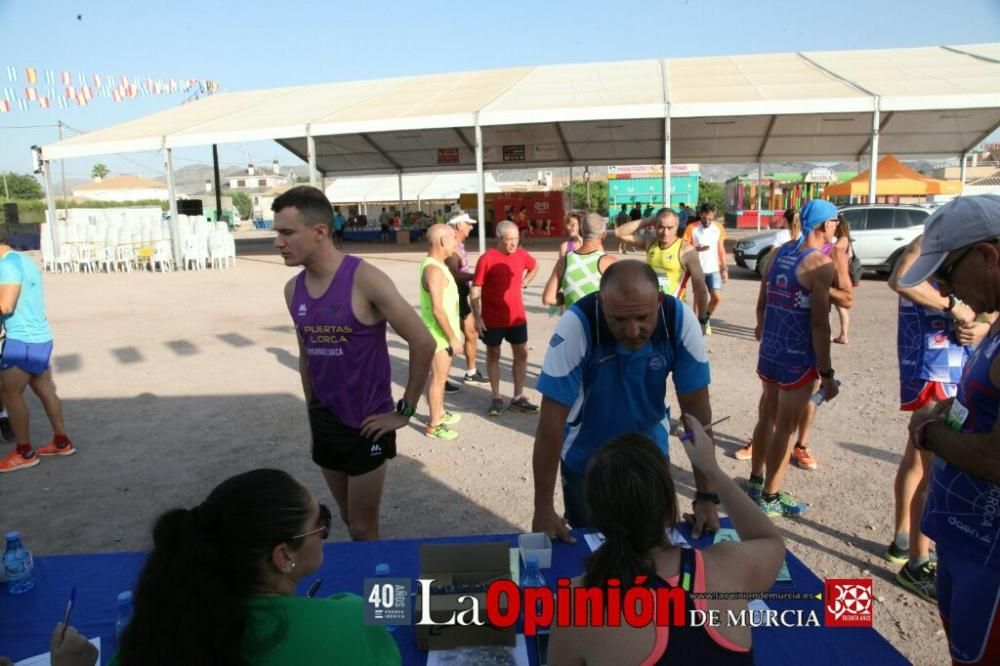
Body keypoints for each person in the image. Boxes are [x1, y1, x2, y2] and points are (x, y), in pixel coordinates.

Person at [548, 420, 784, 664]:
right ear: (669, 506)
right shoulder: (727, 568)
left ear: (595, 516)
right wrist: (711, 468)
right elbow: (768, 539)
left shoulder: (579, 603)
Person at [110, 469, 401, 665]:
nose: (325, 531)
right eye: (320, 521)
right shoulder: (350, 620)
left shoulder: (156, 634)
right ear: (284, 556)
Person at [274, 186, 435, 541]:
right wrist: (312, 415)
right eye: (277, 233)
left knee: (363, 527)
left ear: (319, 232)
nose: (278, 242)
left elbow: (423, 341)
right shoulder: (292, 289)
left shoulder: (366, 279)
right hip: (325, 418)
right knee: (348, 518)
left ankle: (375, 592)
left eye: (287, 232)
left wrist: (404, 411)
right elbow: (306, 358)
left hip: (367, 422)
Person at [531, 260, 719, 542]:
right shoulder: (577, 325)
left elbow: (696, 416)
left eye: (643, 318)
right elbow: (551, 423)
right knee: (595, 556)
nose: (633, 331)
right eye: (619, 320)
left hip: (651, 456)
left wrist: (706, 496)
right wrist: (543, 507)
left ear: (659, 301)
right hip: (588, 463)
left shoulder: (679, 321)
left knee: (655, 553)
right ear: (601, 302)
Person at [898, 195, 1000, 664]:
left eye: (946, 274)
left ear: (987, 256)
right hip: (967, 545)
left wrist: (929, 433)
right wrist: (943, 409)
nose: (945, 289)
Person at [885, 234, 989, 603]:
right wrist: (952, 307)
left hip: (951, 364)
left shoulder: (967, 246)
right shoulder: (935, 237)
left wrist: (983, 328)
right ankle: (917, 560)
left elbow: (986, 313)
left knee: (916, 459)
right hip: (935, 366)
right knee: (933, 468)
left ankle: (903, 541)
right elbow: (900, 279)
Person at [748, 199, 840, 516]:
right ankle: (770, 497)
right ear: (825, 225)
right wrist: (826, 372)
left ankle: (755, 480)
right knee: (785, 426)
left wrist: (764, 326)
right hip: (797, 356)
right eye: (835, 221)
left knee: (766, 416)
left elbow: (762, 302)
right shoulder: (819, 264)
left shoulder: (778, 253)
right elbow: (819, 322)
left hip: (771, 349)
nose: (837, 227)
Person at [0, 225, 74, 473]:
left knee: (10, 394)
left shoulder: (7, 266)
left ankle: (24, 452)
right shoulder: (24, 260)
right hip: (40, 336)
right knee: (44, 387)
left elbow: (6, 305)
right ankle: (61, 441)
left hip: (23, 340)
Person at [471, 221, 539, 417]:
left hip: (517, 316)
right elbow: (475, 289)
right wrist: (477, 317)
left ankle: (518, 397)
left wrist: (525, 282)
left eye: (516, 239)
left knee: (521, 353)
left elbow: (534, 266)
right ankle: (496, 396)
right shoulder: (487, 259)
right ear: (499, 239)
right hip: (492, 318)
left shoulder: (521, 254)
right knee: (493, 354)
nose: (513, 244)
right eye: (509, 240)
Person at [614, 207, 709, 330]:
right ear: (654, 226)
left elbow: (700, 287)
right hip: (649, 311)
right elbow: (619, 233)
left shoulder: (686, 250)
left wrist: (701, 320)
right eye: (660, 227)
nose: (665, 232)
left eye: (670, 228)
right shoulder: (650, 242)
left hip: (674, 312)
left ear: (677, 226)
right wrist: (648, 220)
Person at [419, 224, 463, 441]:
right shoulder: (433, 270)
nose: (456, 242)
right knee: (438, 378)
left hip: (441, 334)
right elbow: (437, 309)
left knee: (441, 377)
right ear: (443, 241)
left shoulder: (438, 265)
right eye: (453, 238)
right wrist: (452, 337)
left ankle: (441, 413)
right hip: (437, 335)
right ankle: (434, 424)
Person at [443, 211, 489, 387]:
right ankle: (442, 378)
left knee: (471, 332)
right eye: (468, 224)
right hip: (452, 296)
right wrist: (478, 276)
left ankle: (471, 372)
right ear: (458, 226)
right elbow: (454, 275)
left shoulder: (459, 244)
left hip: (461, 294)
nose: (471, 227)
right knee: (448, 337)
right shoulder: (451, 247)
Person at [542, 213, 616, 310]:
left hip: (574, 316)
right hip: (599, 319)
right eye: (568, 224)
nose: (570, 227)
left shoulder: (564, 261)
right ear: (604, 234)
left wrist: (571, 296)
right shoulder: (609, 261)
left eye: (573, 224)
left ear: (582, 229)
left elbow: (548, 298)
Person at [683, 203, 727, 334]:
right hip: (697, 269)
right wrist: (696, 249)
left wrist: (724, 268)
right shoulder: (692, 228)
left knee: (716, 298)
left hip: (714, 269)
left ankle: (705, 317)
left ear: (714, 215)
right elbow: (683, 247)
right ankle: (697, 325)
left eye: (709, 218)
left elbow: (721, 249)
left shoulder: (718, 227)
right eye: (703, 218)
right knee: (698, 299)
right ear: (700, 216)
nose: (706, 221)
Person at [832, 216, 854, 344]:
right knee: (840, 306)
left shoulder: (843, 240)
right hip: (841, 275)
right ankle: (842, 334)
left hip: (840, 277)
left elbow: (834, 251)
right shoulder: (844, 240)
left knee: (841, 306)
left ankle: (844, 335)